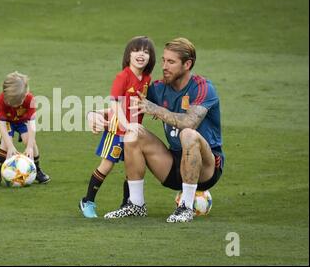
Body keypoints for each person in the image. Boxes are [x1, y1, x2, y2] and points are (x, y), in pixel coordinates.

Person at [90, 38, 224, 223]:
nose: (164, 66)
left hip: (206, 168)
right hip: (171, 164)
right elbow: (126, 106)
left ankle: (185, 206)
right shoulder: (159, 88)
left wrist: (154, 109)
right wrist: (94, 114)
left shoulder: (203, 88)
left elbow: (189, 122)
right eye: (163, 60)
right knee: (133, 133)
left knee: (188, 134)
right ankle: (136, 204)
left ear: (187, 64)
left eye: (171, 62)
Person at [79, 36, 156, 218]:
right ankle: (87, 201)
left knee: (132, 168)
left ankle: (127, 204)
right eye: (137, 50)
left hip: (133, 134)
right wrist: (126, 124)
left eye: (146, 52)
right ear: (128, 54)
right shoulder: (122, 77)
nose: (141, 55)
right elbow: (114, 104)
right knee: (107, 165)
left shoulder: (146, 79)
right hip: (117, 130)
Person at [0, 71, 50, 186]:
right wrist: (10, 146)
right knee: (5, 145)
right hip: (7, 122)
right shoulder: (1, 100)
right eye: (12, 104)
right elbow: (2, 126)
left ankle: (37, 171)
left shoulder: (30, 99)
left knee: (30, 141)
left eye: (19, 103)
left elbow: (32, 125)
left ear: (25, 94)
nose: (16, 106)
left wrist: (30, 147)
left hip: (23, 121)